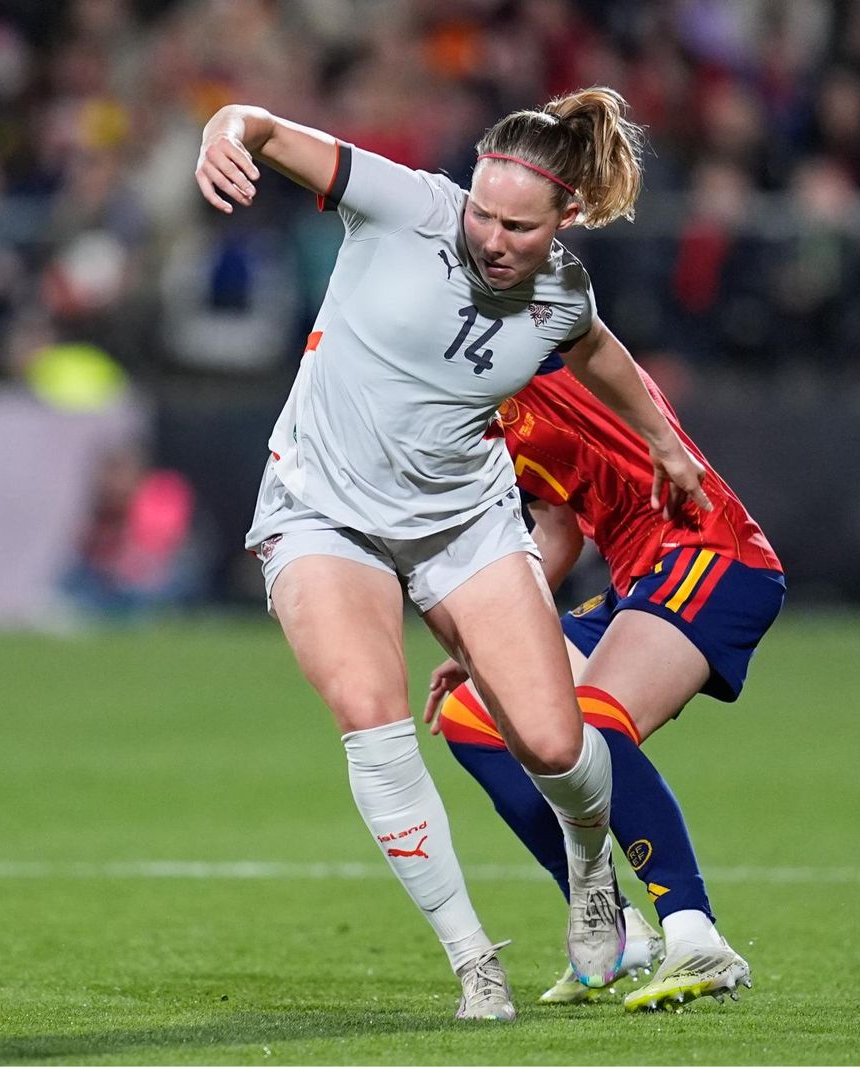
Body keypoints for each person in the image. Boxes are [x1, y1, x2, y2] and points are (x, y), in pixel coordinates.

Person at [194, 87, 712, 1021]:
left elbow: (596, 351)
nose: (491, 236)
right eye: (482, 209)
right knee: (370, 711)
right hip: (322, 510)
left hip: (462, 521)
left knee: (556, 743)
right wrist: (225, 129)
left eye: (518, 224)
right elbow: (263, 128)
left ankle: (590, 868)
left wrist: (663, 442)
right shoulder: (403, 204)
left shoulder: (562, 292)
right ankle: (474, 958)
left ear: (567, 220)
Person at [422, 355, 785, 1012]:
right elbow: (555, 534)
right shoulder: (479, 418)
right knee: (473, 714)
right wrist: (490, 637)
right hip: (636, 583)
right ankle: (613, 925)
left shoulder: (524, 344)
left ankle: (694, 931)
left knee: (592, 721)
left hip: (709, 551)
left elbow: (570, 320)